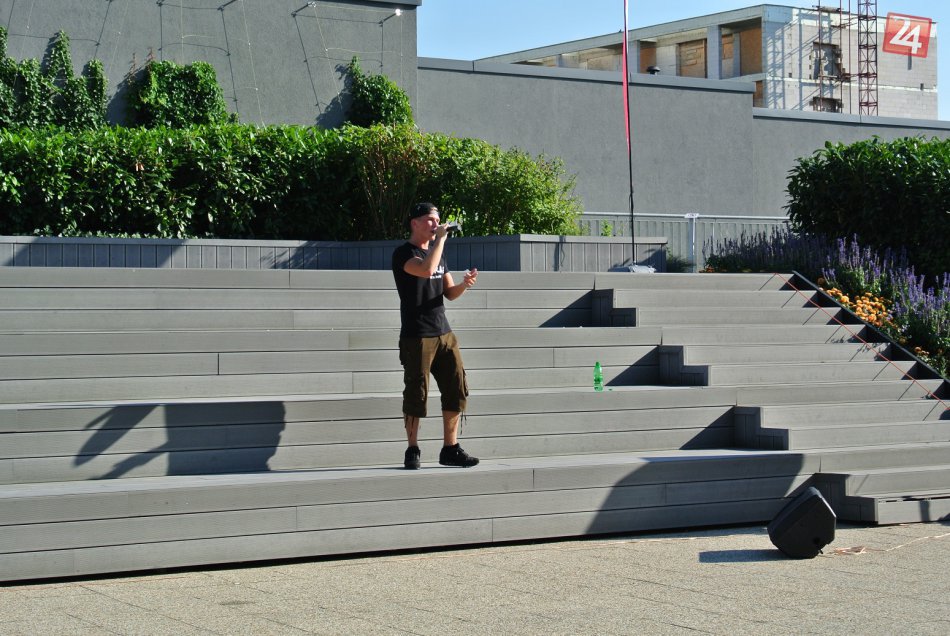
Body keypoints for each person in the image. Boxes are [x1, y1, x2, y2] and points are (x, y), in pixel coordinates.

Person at [392, 202, 479, 470]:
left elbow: (448, 293)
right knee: (416, 393)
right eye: (431, 219)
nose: (437, 224)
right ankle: (412, 448)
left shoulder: (438, 253)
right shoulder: (404, 253)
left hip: (444, 332)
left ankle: (450, 448)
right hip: (417, 335)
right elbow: (425, 270)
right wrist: (440, 240)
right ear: (415, 223)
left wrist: (464, 284)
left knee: (456, 387)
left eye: (438, 220)